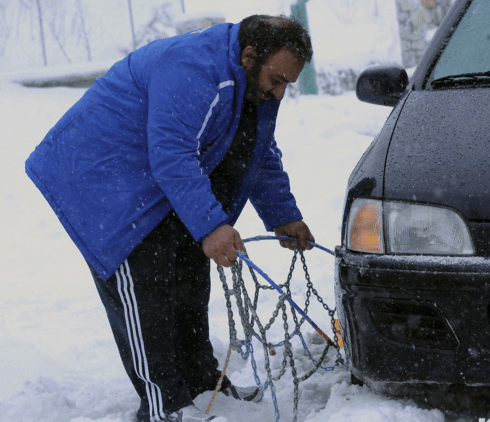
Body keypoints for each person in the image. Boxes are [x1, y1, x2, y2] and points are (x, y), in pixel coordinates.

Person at [25, 14, 315, 422]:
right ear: (250, 56)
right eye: (278, 79)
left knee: (188, 277)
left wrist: (283, 214)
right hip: (101, 178)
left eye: (288, 83)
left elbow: (256, 148)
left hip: (151, 176)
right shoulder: (194, 67)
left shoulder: (253, 84)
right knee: (146, 290)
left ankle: (201, 384)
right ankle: (163, 406)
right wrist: (212, 225)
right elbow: (173, 154)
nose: (280, 92)